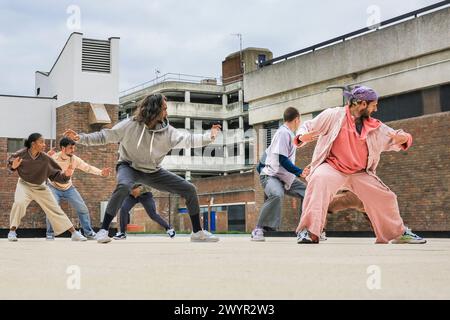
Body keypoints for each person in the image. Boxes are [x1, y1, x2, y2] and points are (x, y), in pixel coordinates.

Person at [64, 93, 222, 243]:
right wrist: (80, 138)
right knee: (124, 185)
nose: (166, 112)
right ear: (154, 110)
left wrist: (210, 136)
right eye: (164, 108)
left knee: (189, 189)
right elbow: (106, 136)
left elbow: (189, 140)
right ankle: (103, 230)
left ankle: (197, 232)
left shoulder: (169, 132)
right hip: (129, 166)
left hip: (153, 171)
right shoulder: (130, 125)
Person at [295, 86, 426, 244]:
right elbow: (307, 126)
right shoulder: (333, 115)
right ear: (363, 104)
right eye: (374, 105)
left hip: (359, 173)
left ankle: (398, 234)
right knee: (318, 180)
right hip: (332, 167)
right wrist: (302, 136)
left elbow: (396, 136)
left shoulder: (375, 126)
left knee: (386, 197)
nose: (376, 109)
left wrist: (404, 138)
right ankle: (309, 232)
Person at [251, 107, 317, 242]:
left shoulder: (288, 134)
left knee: (307, 193)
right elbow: (282, 159)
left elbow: (295, 144)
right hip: (271, 175)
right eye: (300, 120)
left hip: (284, 177)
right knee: (277, 194)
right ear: (297, 119)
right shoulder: (283, 133)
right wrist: (299, 172)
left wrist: (305, 139)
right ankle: (258, 228)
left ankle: (303, 229)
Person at [7, 133, 86, 242]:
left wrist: (66, 175)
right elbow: (11, 162)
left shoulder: (45, 159)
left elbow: (56, 175)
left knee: (54, 208)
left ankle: (74, 233)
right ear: (33, 144)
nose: (44, 145)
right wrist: (13, 167)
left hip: (40, 187)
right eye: (41, 142)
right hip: (24, 185)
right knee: (19, 203)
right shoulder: (21, 154)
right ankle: (12, 231)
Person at [45, 137, 112, 240]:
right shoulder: (53, 158)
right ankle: (50, 233)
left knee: (82, 208)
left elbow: (87, 167)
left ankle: (89, 234)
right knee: (52, 208)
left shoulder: (74, 159)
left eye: (74, 148)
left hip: (68, 188)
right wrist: (45, 157)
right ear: (63, 148)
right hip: (53, 187)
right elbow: (40, 166)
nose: (73, 150)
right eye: (71, 148)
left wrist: (101, 172)